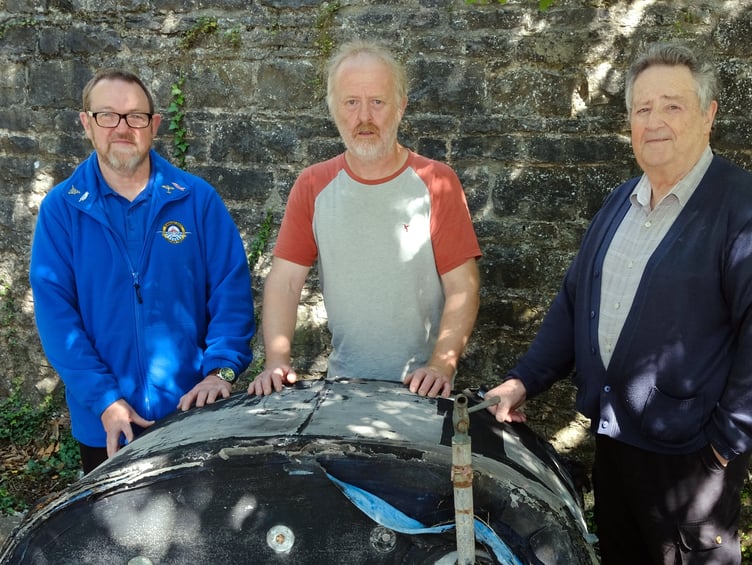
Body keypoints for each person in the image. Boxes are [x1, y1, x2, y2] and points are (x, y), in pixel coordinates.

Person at [484, 42, 752, 564]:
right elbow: (573, 301)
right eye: (642, 108)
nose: (654, 121)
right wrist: (523, 381)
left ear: (708, 115)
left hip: (691, 464)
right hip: (613, 441)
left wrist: (724, 444)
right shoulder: (620, 200)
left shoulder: (740, 208)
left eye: (672, 106)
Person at [29, 69, 255, 473]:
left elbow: (230, 292)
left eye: (135, 116)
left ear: (153, 126)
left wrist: (220, 371)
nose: (122, 127)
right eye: (107, 115)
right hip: (108, 423)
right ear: (87, 122)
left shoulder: (196, 200)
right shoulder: (61, 210)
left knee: (198, 533)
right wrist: (104, 400)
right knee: (110, 535)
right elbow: (57, 318)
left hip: (193, 413)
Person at [248, 40, 480, 399]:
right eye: (351, 102)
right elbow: (285, 283)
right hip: (343, 389)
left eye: (378, 102)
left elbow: (463, 287)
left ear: (400, 107)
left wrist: (440, 365)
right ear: (334, 110)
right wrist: (276, 360)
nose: (364, 117)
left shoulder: (437, 182)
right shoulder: (313, 185)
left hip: (424, 391)